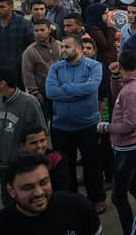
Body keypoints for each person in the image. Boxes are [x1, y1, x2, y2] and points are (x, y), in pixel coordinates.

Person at [44, 34, 105, 211]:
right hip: (61, 126)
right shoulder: (55, 68)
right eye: (62, 46)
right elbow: (50, 92)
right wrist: (79, 91)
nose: (63, 50)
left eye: (67, 47)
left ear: (78, 49)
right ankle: (69, 201)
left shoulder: (94, 66)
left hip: (87, 125)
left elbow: (91, 88)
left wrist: (64, 88)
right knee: (65, 166)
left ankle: (96, 198)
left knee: (92, 164)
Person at [0, 154, 100, 235]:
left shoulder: (79, 208)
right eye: (28, 187)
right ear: (11, 190)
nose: (39, 192)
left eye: (43, 182)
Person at [100, 48, 136, 235]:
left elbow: (129, 125)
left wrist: (106, 127)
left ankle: (131, 230)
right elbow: (118, 94)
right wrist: (115, 77)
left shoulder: (131, 91)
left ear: (121, 65)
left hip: (128, 147)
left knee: (118, 197)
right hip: (134, 145)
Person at [0, 66, 47, 168]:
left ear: (3, 83)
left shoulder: (29, 102)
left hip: (20, 164)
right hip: (1, 163)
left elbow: (41, 132)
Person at [0, 0, 35, 105]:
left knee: (18, 102)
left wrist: (19, 61)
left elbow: (30, 45)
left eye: (2, 7)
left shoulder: (23, 24)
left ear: (11, 7)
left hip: (16, 71)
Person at [20, 20, 61, 123]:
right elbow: (27, 74)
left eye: (42, 30)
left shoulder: (59, 45)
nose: (39, 33)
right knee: (47, 121)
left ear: (49, 30)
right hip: (44, 93)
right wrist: (34, 92)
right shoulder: (30, 52)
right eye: (36, 31)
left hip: (62, 90)